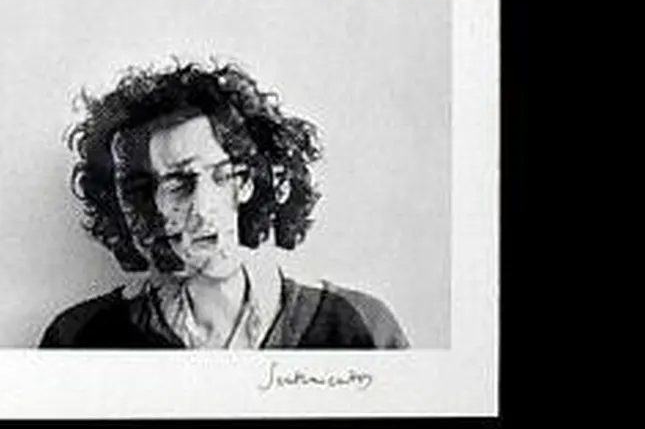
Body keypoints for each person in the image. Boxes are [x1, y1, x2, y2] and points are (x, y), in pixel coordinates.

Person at [39, 60, 409, 349]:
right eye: (174, 186)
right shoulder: (81, 338)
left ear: (254, 180)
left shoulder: (356, 326)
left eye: (223, 175)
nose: (202, 209)